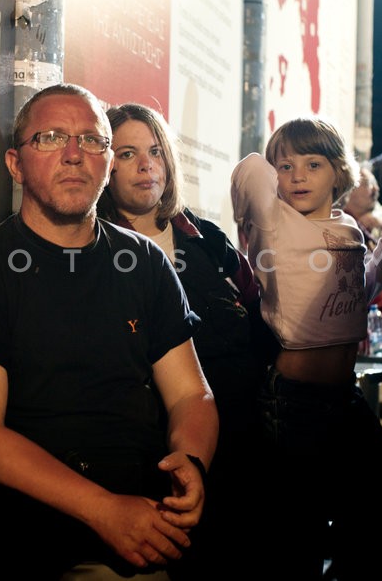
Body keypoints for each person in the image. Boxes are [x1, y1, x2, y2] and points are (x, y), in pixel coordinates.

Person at [0, 84, 219, 580]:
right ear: (16, 165)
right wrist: (105, 510)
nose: (75, 154)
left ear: (108, 162)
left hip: (144, 512)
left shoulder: (145, 263)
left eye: (92, 140)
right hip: (27, 532)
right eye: (51, 138)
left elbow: (192, 393)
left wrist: (192, 461)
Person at [231, 117, 382, 579]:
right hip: (294, 402)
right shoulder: (276, 222)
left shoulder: (348, 228)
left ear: (339, 172)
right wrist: (272, 162)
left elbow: (360, 289)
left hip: (343, 396)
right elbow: (250, 169)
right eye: (286, 166)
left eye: (313, 164)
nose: (297, 176)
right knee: (300, 530)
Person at [95, 102, 269, 575]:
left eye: (155, 151)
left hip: (250, 431)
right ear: (106, 167)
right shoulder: (96, 249)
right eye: (127, 153)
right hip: (165, 449)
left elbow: (259, 311)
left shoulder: (205, 237)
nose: (146, 164)